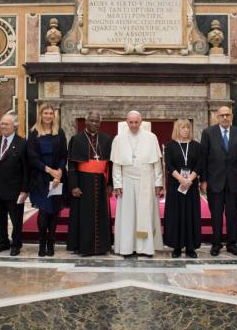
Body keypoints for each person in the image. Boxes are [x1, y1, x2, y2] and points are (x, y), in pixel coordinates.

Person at [111, 110, 163, 258]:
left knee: (145, 214)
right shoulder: (118, 139)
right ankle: (127, 247)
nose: (133, 125)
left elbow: (157, 163)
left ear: (141, 122)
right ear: (126, 122)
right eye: (131, 122)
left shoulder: (151, 137)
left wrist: (158, 182)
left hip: (146, 180)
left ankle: (145, 248)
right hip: (126, 181)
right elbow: (116, 165)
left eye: (136, 122)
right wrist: (117, 184)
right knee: (127, 216)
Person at [200, 105, 237, 257]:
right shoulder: (208, 133)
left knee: (233, 215)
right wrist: (204, 180)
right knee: (216, 215)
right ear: (217, 117)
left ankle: (232, 244)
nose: (225, 118)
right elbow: (203, 159)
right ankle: (216, 244)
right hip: (215, 181)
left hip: (234, 182)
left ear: (232, 116)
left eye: (228, 115)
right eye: (222, 115)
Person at [67, 110, 113, 256]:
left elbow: (110, 165)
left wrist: (110, 184)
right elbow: (72, 164)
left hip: (100, 181)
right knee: (83, 215)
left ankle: (101, 247)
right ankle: (83, 247)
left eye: (97, 121)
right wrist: (73, 185)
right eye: (91, 120)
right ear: (86, 122)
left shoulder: (106, 139)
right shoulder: (77, 139)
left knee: (101, 214)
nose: (94, 123)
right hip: (83, 182)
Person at [26, 103, 67, 257]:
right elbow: (32, 157)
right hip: (40, 178)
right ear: (40, 115)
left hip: (57, 178)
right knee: (44, 211)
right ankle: (42, 242)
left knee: (55, 211)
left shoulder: (59, 133)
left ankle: (51, 242)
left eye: (51, 113)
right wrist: (49, 171)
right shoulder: (33, 133)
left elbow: (64, 154)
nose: (48, 116)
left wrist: (59, 172)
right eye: (46, 113)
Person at [0, 112, 29, 256]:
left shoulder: (22, 143)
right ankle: (3, 242)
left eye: (6, 124)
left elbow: (26, 169)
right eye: (1, 123)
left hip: (15, 190)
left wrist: (24, 190)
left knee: (16, 220)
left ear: (14, 126)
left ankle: (16, 244)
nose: (2, 126)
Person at [164, 119, 203, 258]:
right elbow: (169, 165)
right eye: (182, 127)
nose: (185, 130)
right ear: (177, 129)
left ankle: (190, 247)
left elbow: (199, 164)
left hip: (191, 186)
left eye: (187, 127)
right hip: (176, 186)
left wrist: (189, 179)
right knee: (176, 215)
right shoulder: (170, 146)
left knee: (191, 215)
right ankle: (177, 247)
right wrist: (181, 179)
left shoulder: (197, 146)